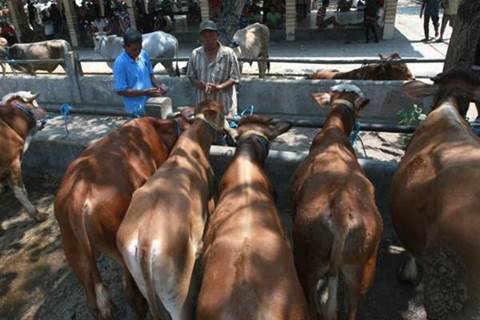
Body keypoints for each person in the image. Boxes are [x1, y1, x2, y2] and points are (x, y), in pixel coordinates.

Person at [186, 20, 241, 116]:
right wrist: (201, 85)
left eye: (211, 35)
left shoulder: (228, 53)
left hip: (224, 107)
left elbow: (235, 77)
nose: (208, 39)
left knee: (226, 130)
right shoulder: (195, 54)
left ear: (217, 36)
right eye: (205, 36)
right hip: (203, 107)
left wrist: (219, 87)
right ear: (200, 38)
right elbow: (191, 76)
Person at [113, 28, 168, 117]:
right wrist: (143, 92)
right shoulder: (120, 63)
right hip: (135, 109)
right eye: (134, 50)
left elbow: (151, 76)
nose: (137, 52)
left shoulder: (144, 54)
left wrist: (160, 86)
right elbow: (120, 90)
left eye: (139, 48)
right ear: (125, 47)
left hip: (151, 104)